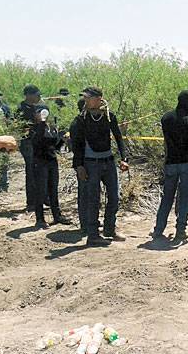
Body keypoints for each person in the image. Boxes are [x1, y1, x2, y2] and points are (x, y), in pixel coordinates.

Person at [72, 87, 129, 247]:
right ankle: (93, 235)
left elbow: (118, 137)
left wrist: (124, 158)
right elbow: (76, 145)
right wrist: (79, 166)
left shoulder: (109, 117)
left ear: (98, 99)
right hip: (90, 164)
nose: (85, 100)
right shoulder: (80, 120)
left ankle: (109, 229)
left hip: (108, 161)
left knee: (114, 197)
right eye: (85, 97)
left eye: (88, 97)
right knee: (93, 200)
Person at [152, 91, 188, 242]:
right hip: (187, 165)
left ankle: (158, 229)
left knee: (167, 197)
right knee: (185, 198)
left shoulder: (166, 118)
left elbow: (167, 142)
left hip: (170, 163)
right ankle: (180, 230)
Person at [30, 107, 72, 228]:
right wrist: (41, 123)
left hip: (51, 161)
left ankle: (57, 215)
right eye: (39, 112)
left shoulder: (51, 128)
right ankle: (40, 219)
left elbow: (54, 147)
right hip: (39, 161)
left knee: (53, 189)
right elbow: (37, 142)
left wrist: (62, 141)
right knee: (41, 191)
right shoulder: (34, 128)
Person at [16, 85, 47, 210]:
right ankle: (32, 202)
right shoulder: (21, 109)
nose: (38, 97)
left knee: (41, 171)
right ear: (28, 95)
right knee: (31, 171)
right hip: (28, 142)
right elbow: (20, 127)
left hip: (39, 142)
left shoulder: (39, 107)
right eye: (36, 94)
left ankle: (43, 199)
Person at [68, 99, 89, 233]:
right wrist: (79, 165)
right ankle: (85, 224)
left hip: (92, 161)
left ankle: (91, 221)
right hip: (82, 162)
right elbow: (76, 147)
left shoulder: (91, 121)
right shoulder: (77, 124)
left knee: (92, 194)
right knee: (84, 193)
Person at [0, 90, 12, 193]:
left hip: (3, 138)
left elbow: (10, 122)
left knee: (3, 161)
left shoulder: (4, 108)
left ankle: (3, 185)